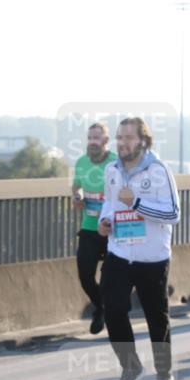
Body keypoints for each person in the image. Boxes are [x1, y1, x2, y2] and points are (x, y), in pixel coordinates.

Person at [98, 117, 180, 380]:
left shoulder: (159, 171)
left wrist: (136, 203)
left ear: (143, 141)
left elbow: (173, 214)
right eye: (120, 137)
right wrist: (105, 222)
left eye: (129, 137)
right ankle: (130, 365)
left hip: (152, 258)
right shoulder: (111, 170)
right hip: (119, 253)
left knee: (157, 319)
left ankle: (164, 376)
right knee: (113, 310)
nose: (123, 143)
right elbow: (109, 204)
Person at [71, 122, 117, 334]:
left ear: (105, 140)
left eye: (96, 138)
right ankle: (100, 308)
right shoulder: (81, 162)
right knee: (85, 275)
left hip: (111, 229)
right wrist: (77, 196)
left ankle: (110, 312)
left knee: (110, 278)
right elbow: (76, 186)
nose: (92, 142)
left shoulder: (115, 162)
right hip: (89, 227)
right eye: (89, 138)